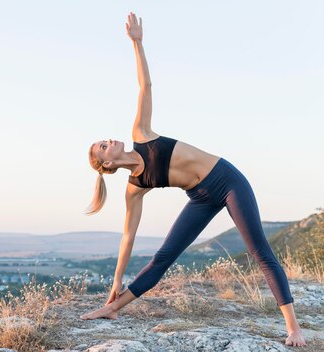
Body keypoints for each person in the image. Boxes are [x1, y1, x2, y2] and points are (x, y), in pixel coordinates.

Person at [79, 12, 307, 348]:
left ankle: (294, 328)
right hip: (201, 197)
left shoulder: (141, 134)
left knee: (259, 250)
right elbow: (128, 238)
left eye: (104, 139)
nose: (109, 140)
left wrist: (137, 43)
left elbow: (146, 85)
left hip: (227, 180)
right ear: (107, 164)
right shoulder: (134, 190)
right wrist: (116, 280)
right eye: (103, 145)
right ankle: (112, 308)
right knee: (163, 257)